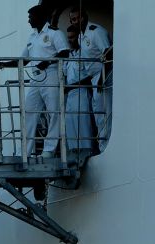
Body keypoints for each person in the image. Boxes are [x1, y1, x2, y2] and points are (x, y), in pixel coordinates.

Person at [21, 5, 69, 157]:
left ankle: (49, 149)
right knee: (29, 111)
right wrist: (2, 65)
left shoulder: (55, 33)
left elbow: (65, 53)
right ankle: (25, 151)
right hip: (36, 78)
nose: (29, 20)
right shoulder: (32, 37)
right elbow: (23, 60)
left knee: (53, 112)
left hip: (51, 74)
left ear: (40, 17)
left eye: (31, 17)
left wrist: (48, 62)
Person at [68, 7, 112, 151]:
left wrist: (102, 79)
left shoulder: (96, 32)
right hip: (94, 79)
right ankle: (101, 145)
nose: (76, 22)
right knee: (98, 114)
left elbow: (109, 54)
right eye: (73, 19)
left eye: (78, 18)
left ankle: (105, 146)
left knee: (104, 112)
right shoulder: (81, 36)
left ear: (84, 17)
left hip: (103, 76)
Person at [63, 23, 96, 154]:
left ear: (79, 37)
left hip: (82, 92)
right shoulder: (69, 55)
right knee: (70, 125)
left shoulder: (85, 53)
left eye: (72, 37)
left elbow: (90, 75)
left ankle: (87, 151)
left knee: (83, 124)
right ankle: (74, 152)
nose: (70, 40)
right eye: (69, 38)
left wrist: (71, 86)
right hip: (70, 95)